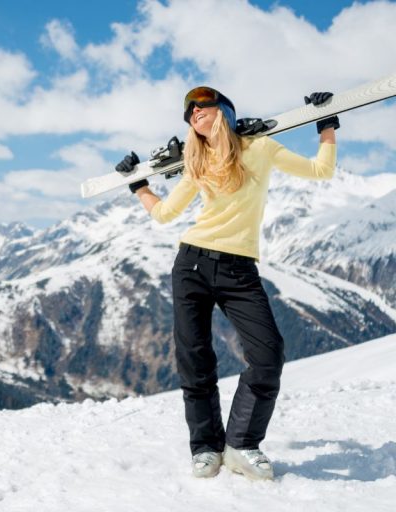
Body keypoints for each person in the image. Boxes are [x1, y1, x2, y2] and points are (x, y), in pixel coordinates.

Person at [115, 87, 339, 480]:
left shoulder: (260, 147)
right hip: (192, 266)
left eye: (202, 106)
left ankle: (241, 443)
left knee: (269, 356)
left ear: (225, 111)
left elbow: (321, 170)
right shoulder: (196, 163)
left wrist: (327, 122)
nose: (194, 113)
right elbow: (165, 214)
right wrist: (140, 187)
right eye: (189, 113)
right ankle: (205, 447)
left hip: (240, 271)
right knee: (195, 363)